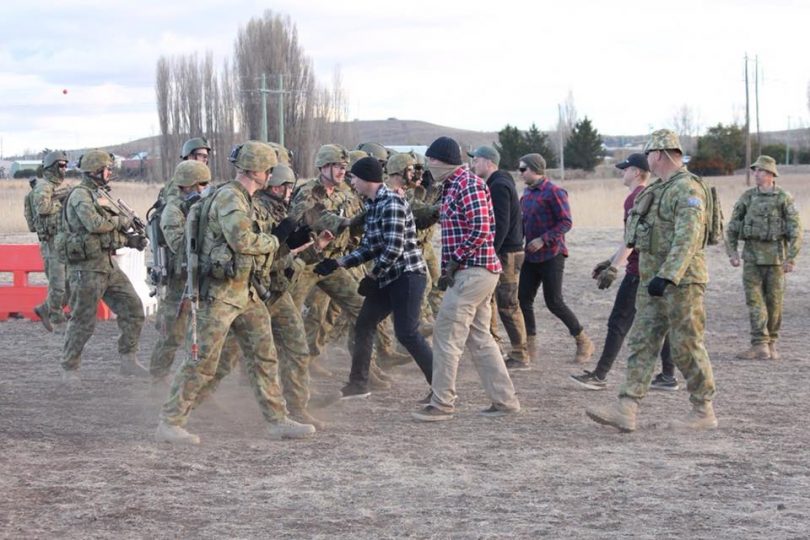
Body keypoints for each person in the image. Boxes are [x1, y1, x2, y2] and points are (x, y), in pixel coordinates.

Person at [156, 140, 314, 444]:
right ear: (255, 170)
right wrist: (276, 240)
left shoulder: (245, 197)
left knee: (264, 356)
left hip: (246, 292)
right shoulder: (230, 197)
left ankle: (277, 420)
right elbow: (242, 240)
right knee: (202, 361)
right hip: (220, 294)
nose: (270, 175)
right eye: (268, 169)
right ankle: (169, 421)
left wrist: (287, 242)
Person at [586, 129, 717, 432]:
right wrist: (612, 262)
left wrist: (668, 275)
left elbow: (688, 239)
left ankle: (703, 410)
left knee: (686, 345)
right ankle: (626, 408)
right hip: (650, 279)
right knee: (642, 340)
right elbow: (637, 235)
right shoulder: (656, 190)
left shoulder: (687, 188)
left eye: (647, 154)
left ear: (658, 154)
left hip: (681, 282)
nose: (646, 159)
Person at [412, 136, 520, 422]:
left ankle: (442, 402)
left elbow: (482, 229)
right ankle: (504, 400)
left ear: (440, 161)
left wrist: (455, 260)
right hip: (475, 272)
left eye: (430, 160)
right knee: (480, 338)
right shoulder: (453, 186)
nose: (428, 165)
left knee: (447, 336)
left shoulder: (467, 184)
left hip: (474, 271)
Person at [314, 157, 433, 399]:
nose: (352, 182)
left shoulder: (391, 203)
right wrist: (338, 262)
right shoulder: (373, 204)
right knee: (364, 324)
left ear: (367, 178)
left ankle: (441, 386)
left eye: (354, 177)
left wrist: (372, 275)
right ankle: (358, 384)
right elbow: (368, 247)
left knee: (407, 333)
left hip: (407, 276)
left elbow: (393, 248)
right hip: (387, 276)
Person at [570, 153, 677, 391]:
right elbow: (631, 238)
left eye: (625, 169)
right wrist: (609, 261)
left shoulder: (635, 198)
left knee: (618, 322)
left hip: (638, 271)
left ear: (637, 172)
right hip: (655, 270)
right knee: (661, 322)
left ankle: (599, 375)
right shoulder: (650, 195)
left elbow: (632, 239)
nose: (622, 172)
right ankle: (668, 376)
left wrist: (615, 267)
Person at [59, 149, 149, 382]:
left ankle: (128, 360)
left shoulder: (100, 194)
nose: (110, 172)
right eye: (107, 169)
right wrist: (123, 221)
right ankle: (70, 369)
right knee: (83, 320)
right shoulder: (80, 195)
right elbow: (96, 224)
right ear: (95, 171)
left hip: (107, 265)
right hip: (86, 269)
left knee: (133, 309)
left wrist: (130, 239)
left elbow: (109, 232)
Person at [517, 153, 594, 364]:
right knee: (523, 299)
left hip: (552, 254)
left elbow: (566, 222)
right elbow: (522, 224)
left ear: (535, 169)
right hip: (531, 257)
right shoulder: (526, 194)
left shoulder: (554, 192)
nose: (520, 173)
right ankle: (529, 346)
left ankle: (582, 340)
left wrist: (544, 239)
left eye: (523, 169)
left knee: (554, 302)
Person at [726, 155, 802, 360]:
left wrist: (791, 257)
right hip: (751, 259)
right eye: (755, 170)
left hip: (776, 261)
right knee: (754, 302)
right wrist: (732, 252)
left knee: (775, 303)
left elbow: (796, 230)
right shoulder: (747, 197)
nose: (756, 174)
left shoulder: (783, 198)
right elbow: (733, 226)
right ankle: (759, 344)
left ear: (770, 174)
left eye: (759, 170)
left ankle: (772, 343)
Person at [147, 160, 210, 383]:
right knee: (172, 336)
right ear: (186, 186)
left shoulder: (200, 207)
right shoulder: (172, 212)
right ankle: (157, 377)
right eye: (199, 185)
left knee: (198, 334)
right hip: (178, 282)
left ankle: (192, 381)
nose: (204, 190)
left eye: (206, 185)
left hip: (196, 278)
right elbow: (180, 247)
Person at [469, 145, 529, 370]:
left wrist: (489, 251)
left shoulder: (499, 185)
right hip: (503, 252)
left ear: (488, 162)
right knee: (490, 302)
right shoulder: (495, 183)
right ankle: (495, 349)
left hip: (506, 254)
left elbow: (500, 224)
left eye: (476, 160)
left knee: (508, 304)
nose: (473, 164)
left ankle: (520, 355)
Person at [31, 150, 71, 333]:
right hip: (51, 242)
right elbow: (42, 207)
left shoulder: (56, 187)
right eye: (61, 165)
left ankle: (46, 309)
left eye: (65, 165)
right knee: (58, 284)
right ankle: (56, 318)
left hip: (62, 241)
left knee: (70, 283)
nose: (64, 169)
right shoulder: (44, 187)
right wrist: (61, 202)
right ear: (52, 167)